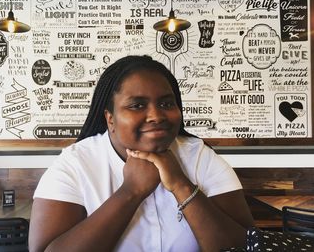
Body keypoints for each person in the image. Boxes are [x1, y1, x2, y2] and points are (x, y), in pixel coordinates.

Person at [29, 55, 254, 252]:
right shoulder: (74, 164)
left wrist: (181, 185)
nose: (156, 116)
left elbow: (247, 247)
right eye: (137, 106)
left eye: (167, 103)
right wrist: (131, 191)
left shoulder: (201, 158)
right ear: (110, 118)